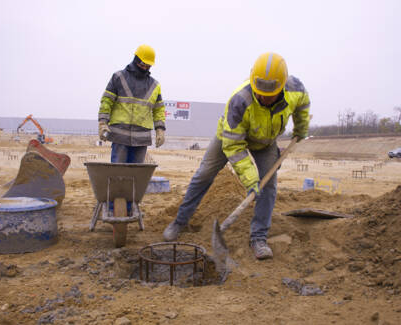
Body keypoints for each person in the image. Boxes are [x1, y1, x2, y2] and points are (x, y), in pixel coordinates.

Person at [163, 52, 310, 260]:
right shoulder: (240, 101)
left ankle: (258, 238)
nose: (264, 97)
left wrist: (301, 129)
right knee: (204, 174)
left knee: (268, 186)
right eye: (260, 92)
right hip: (230, 137)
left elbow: (302, 107)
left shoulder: (295, 89)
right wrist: (250, 179)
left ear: (282, 86)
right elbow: (233, 146)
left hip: (265, 141)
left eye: (270, 94)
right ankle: (180, 221)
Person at [98, 44, 166, 164]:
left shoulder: (154, 85)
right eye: (142, 64)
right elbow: (107, 101)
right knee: (117, 173)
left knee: (137, 175)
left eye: (147, 65)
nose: (144, 67)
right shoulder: (118, 77)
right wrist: (103, 123)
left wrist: (160, 129)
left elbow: (159, 110)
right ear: (136, 59)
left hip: (141, 137)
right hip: (120, 135)